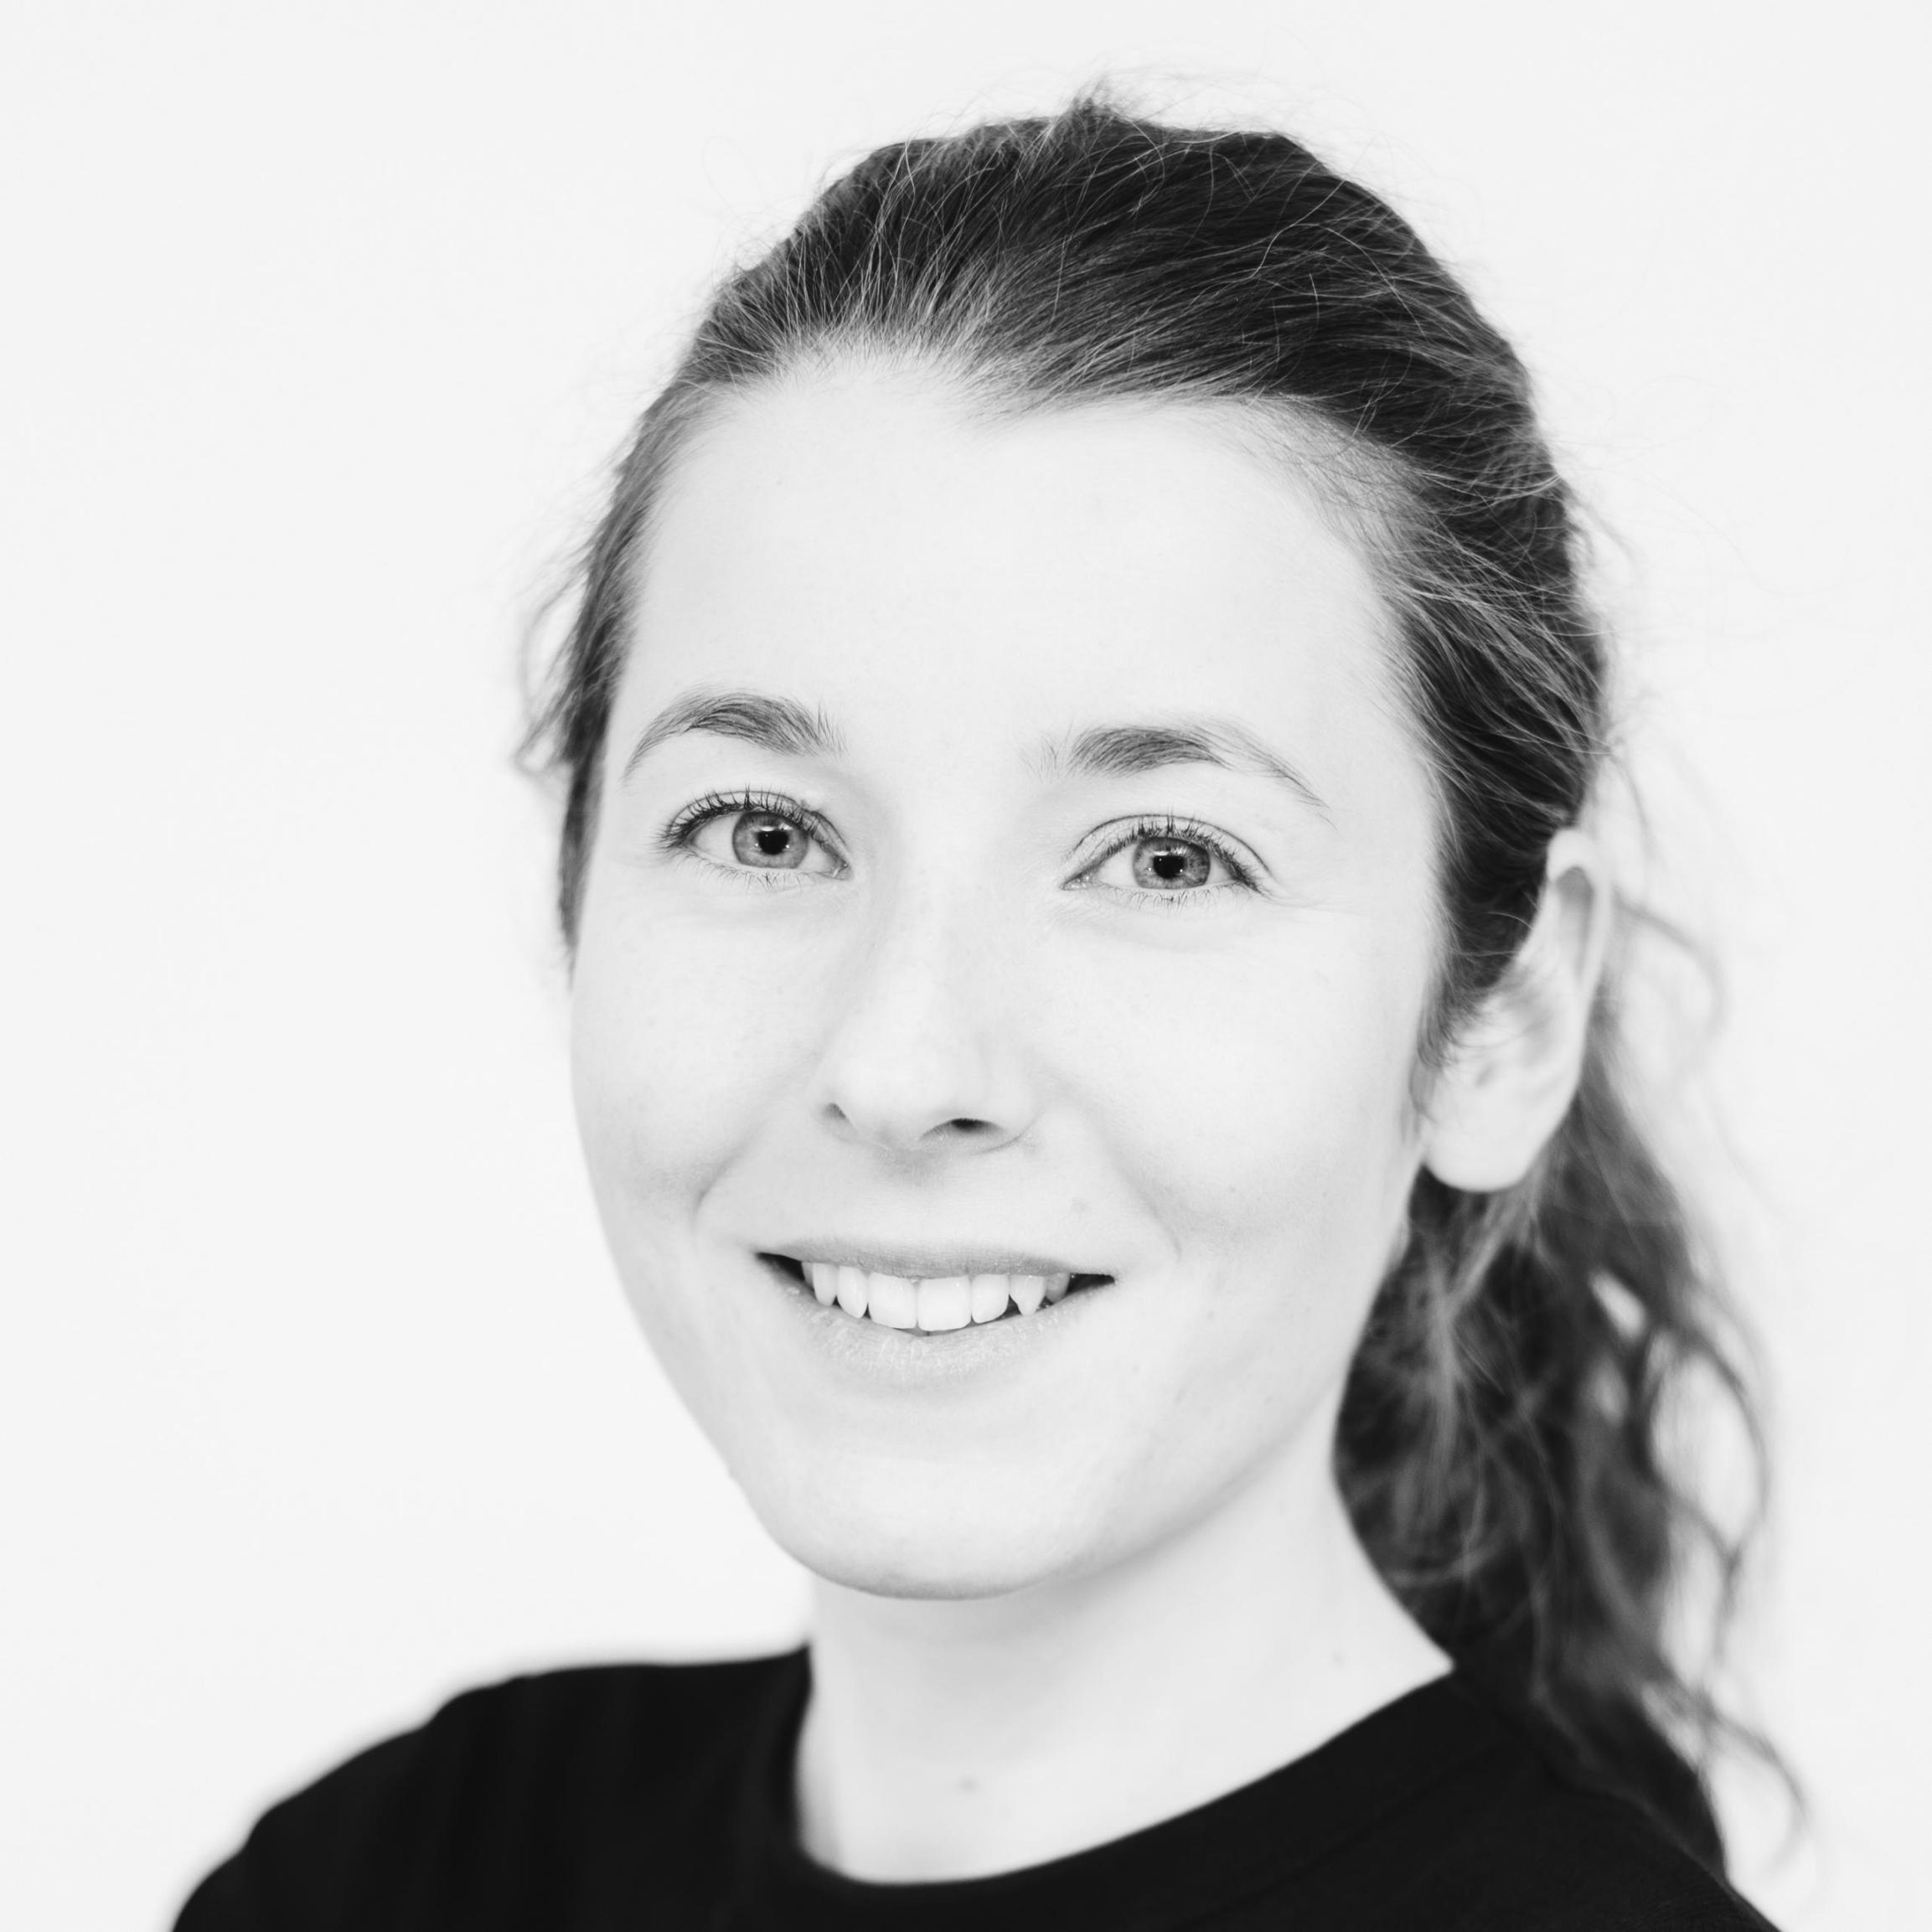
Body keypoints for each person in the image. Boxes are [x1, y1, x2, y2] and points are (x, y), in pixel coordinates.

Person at [174, 90, 1780, 1929]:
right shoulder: (385, 1879)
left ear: (1502, 1019)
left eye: (1165, 858)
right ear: (573, 905)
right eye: (764, 830)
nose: (900, 1065)